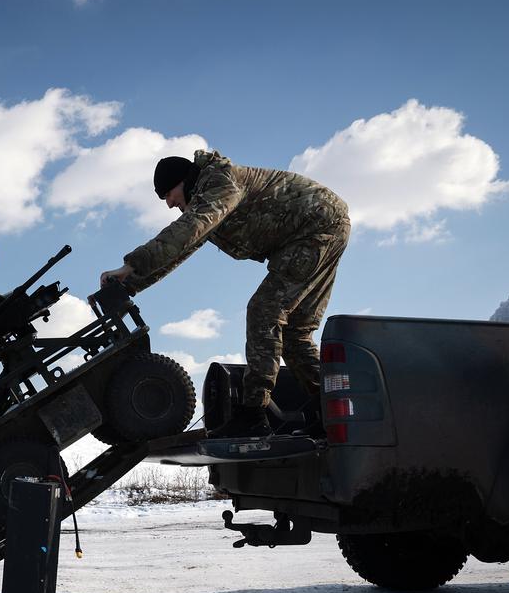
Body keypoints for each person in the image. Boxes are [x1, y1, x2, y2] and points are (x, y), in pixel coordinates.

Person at [98, 150, 351, 436]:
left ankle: (253, 414)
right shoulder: (206, 198)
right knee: (295, 333)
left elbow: (187, 231)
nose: (169, 204)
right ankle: (330, 410)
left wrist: (131, 263)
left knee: (264, 310)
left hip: (318, 226)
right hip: (321, 227)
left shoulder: (221, 183)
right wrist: (129, 282)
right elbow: (183, 248)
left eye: (168, 194)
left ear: (184, 181)